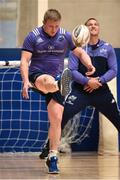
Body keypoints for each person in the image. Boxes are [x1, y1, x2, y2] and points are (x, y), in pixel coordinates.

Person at [20, 9, 95, 174]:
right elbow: (25, 61)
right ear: (44, 23)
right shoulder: (33, 36)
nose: (53, 29)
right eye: (50, 26)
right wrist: (26, 81)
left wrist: (89, 65)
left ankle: (52, 157)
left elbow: (81, 52)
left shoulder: (65, 35)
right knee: (47, 81)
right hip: (37, 76)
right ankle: (58, 84)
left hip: (59, 78)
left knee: (57, 118)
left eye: (56, 26)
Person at [39, 17, 120, 160]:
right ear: (85, 29)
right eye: (90, 24)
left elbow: (114, 70)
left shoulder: (107, 48)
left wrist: (99, 81)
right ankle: (49, 149)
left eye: (96, 24)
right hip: (80, 92)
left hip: (101, 92)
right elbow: (72, 70)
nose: (93, 26)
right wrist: (87, 81)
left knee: (117, 119)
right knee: (61, 117)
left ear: (99, 28)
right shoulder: (77, 50)